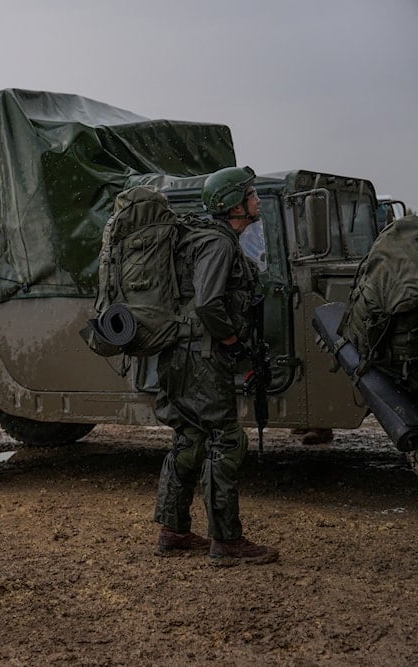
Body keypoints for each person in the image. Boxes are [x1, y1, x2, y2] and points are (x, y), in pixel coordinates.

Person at [152, 166, 279, 566]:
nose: (257, 200)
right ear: (234, 204)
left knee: (189, 437)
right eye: (252, 194)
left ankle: (173, 531)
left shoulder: (203, 239)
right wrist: (232, 340)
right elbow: (208, 303)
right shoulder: (219, 245)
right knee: (226, 441)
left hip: (182, 355)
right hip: (202, 357)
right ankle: (226, 541)